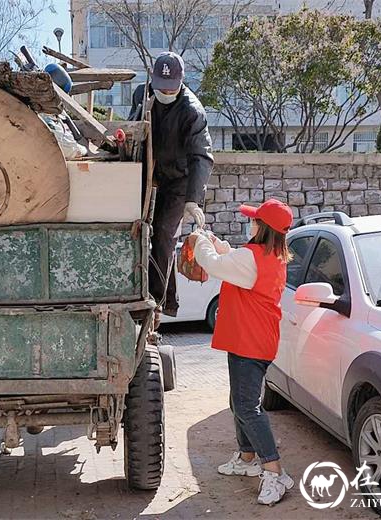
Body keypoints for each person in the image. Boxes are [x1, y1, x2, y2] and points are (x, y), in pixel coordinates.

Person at [191, 199, 295, 506]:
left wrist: (199, 242)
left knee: (247, 407)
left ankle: (274, 471)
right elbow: (233, 259)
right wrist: (214, 242)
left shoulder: (253, 259)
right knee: (239, 401)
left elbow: (214, 264)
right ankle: (247, 458)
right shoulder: (269, 255)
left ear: (263, 228)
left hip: (249, 342)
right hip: (252, 340)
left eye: (254, 220)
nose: (250, 224)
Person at [129, 52, 213, 321]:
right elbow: (133, 129)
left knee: (164, 234)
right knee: (135, 229)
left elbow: (202, 155)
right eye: (160, 85)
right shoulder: (142, 94)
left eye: (170, 87)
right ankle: (135, 287)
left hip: (180, 178)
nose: (164, 91)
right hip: (149, 171)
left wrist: (193, 199)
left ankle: (159, 301)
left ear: (181, 82)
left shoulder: (192, 110)